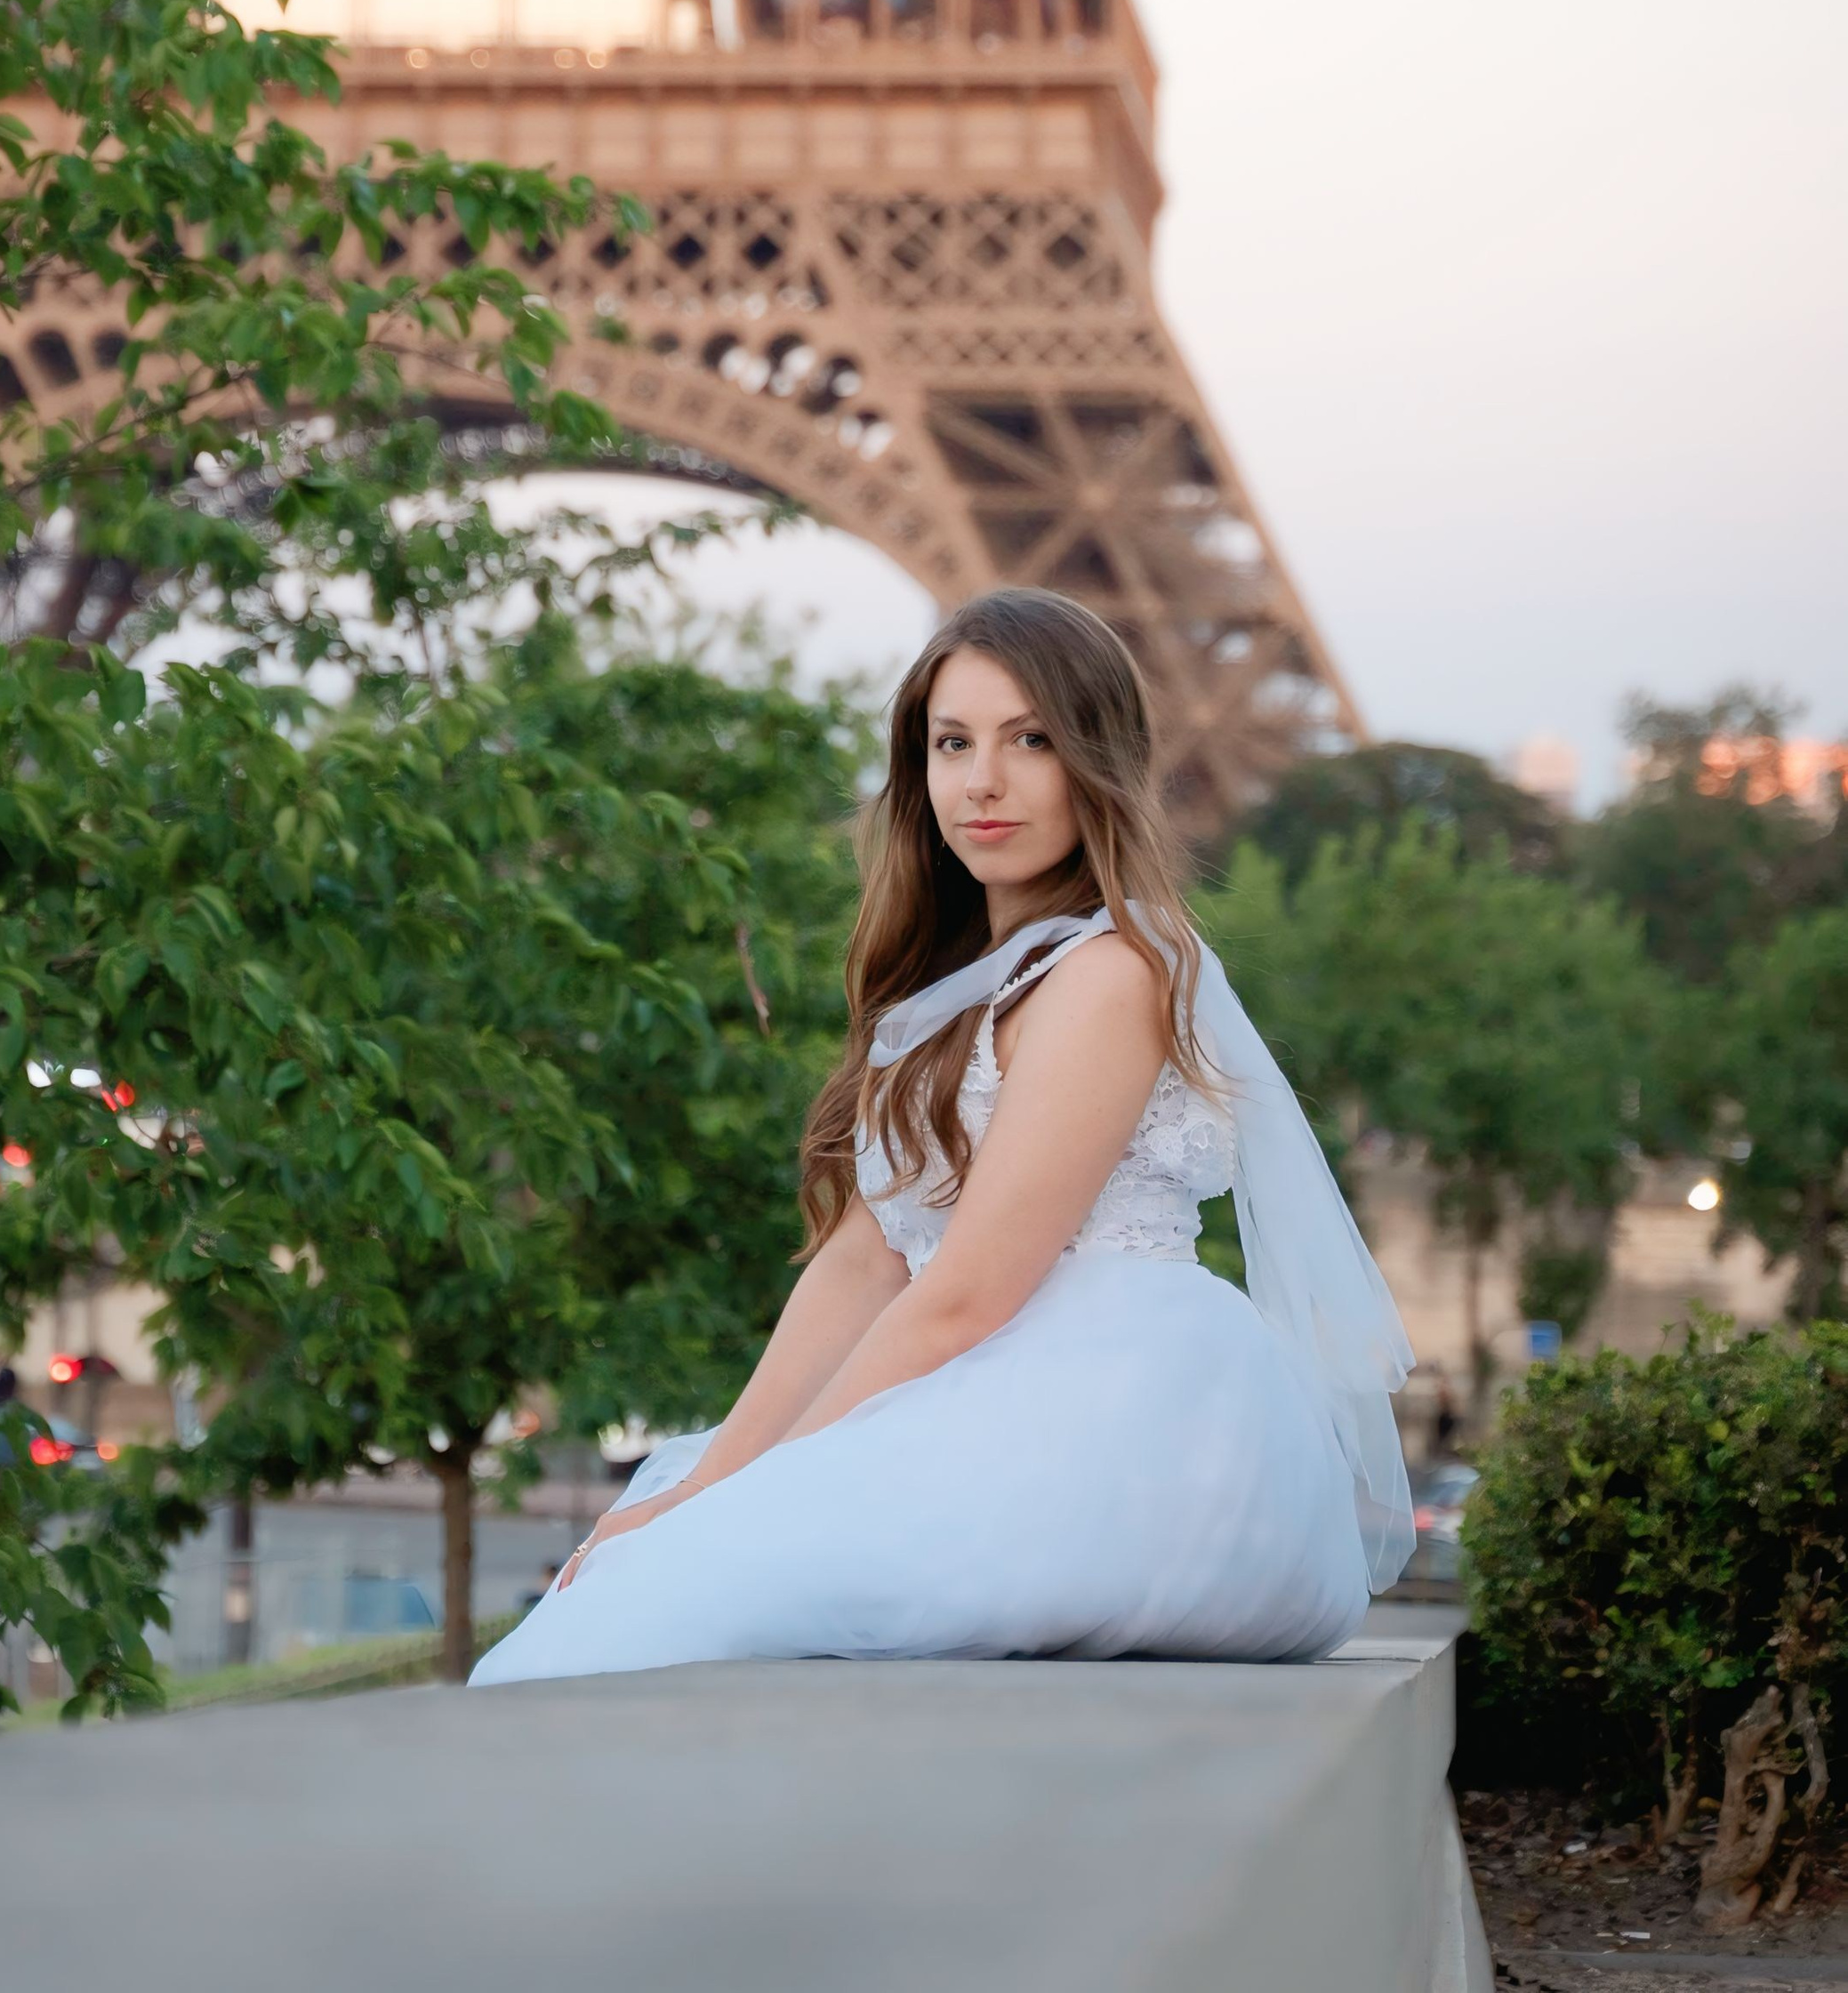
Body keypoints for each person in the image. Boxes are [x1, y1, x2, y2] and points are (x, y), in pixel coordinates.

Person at [472, 588, 1413, 1688]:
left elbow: (968, 1290)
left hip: (1112, 1419)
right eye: (952, 742)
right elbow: (867, 1258)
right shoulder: (956, 988)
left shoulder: (1109, 975)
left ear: (1096, 759)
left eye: (1031, 740)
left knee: (682, 1588)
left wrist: (761, 1486)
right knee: (650, 1554)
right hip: (987, 1382)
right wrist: (713, 1480)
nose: (983, 781)